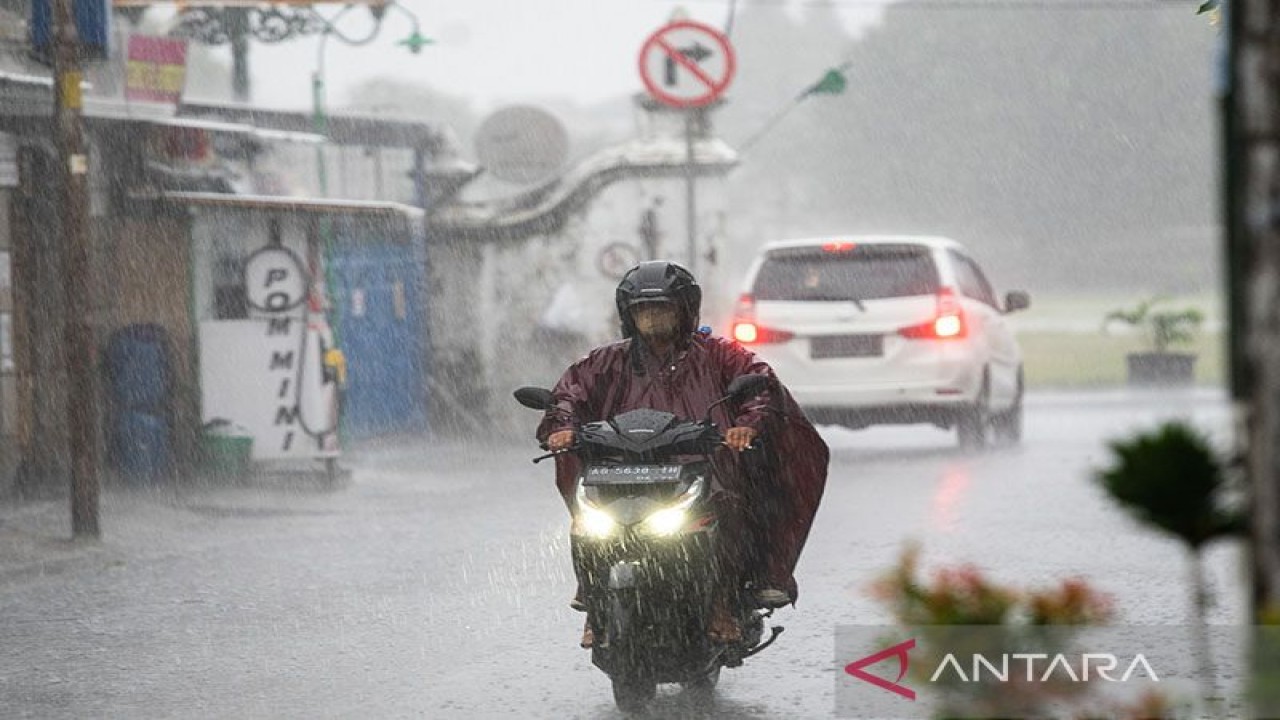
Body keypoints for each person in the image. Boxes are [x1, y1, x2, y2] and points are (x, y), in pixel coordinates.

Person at [534, 260, 829, 647]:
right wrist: (561, 427)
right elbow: (569, 394)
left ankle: (722, 603)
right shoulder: (605, 361)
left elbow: (761, 388)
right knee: (588, 520)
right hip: (621, 470)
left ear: (684, 310)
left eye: (662, 308)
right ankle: (595, 601)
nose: (653, 318)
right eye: (644, 310)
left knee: (731, 510)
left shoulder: (721, 355)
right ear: (629, 315)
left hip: (703, 470)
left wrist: (746, 425)